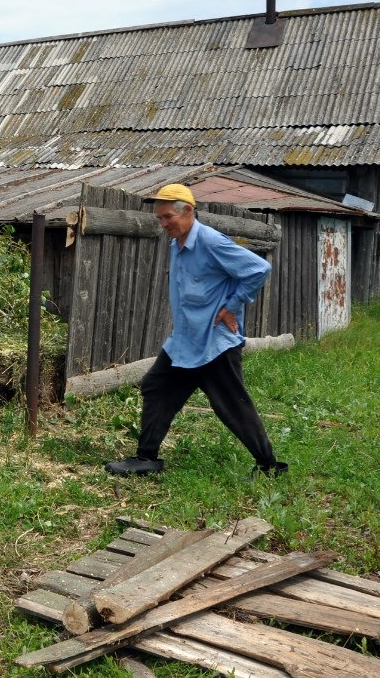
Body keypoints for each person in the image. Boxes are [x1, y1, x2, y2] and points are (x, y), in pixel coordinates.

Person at [104, 183, 288, 477]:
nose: (163, 224)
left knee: (232, 405)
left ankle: (269, 465)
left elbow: (258, 269)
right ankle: (146, 458)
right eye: (160, 218)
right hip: (186, 340)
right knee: (157, 386)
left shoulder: (211, 242)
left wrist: (232, 305)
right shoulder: (176, 244)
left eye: (168, 218)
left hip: (214, 343)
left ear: (188, 211)